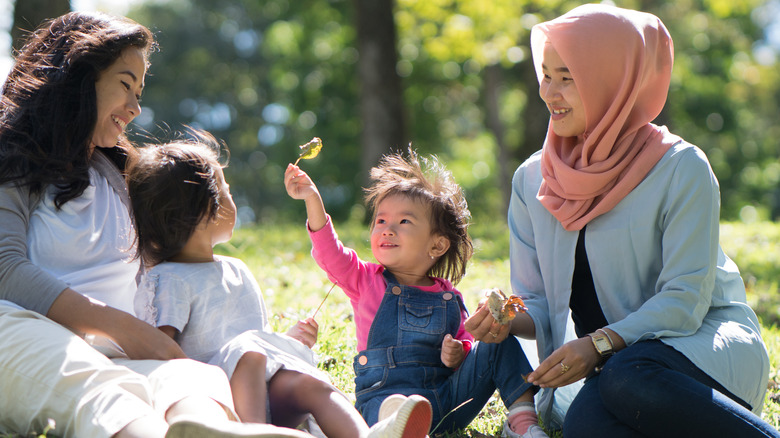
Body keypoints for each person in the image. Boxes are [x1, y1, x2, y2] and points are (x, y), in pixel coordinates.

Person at [465, 4, 779, 438]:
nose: (547, 92)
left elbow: (685, 300)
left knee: (629, 374)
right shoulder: (532, 180)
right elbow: (536, 303)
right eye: (545, 74)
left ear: (611, 78)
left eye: (567, 77)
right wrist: (504, 320)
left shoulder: (680, 168)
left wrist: (599, 344)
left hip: (698, 348)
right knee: (585, 425)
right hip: (609, 371)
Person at [0, 11, 310, 438]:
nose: (135, 107)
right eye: (125, 84)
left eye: (139, 91)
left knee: (194, 379)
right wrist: (120, 325)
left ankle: (212, 430)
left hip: (121, 352)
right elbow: (5, 270)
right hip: (27, 334)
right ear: (75, 79)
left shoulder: (123, 175)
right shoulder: (14, 159)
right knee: (99, 389)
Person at [128, 132, 434, 438]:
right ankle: (250, 432)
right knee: (247, 351)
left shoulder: (237, 270)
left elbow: (255, 339)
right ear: (207, 210)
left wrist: (286, 340)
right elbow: (160, 351)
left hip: (266, 385)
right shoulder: (167, 278)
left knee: (312, 385)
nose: (233, 200)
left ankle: (367, 436)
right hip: (214, 399)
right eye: (228, 192)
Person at [284, 149, 548, 438]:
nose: (387, 230)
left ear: (437, 246)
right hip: (385, 403)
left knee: (498, 338)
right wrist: (312, 199)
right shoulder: (364, 280)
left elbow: (467, 342)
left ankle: (523, 422)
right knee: (388, 413)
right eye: (381, 221)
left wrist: (459, 353)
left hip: (446, 403)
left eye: (404, 222)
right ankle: (395, 430)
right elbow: (329, 252)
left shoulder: (449, 296)